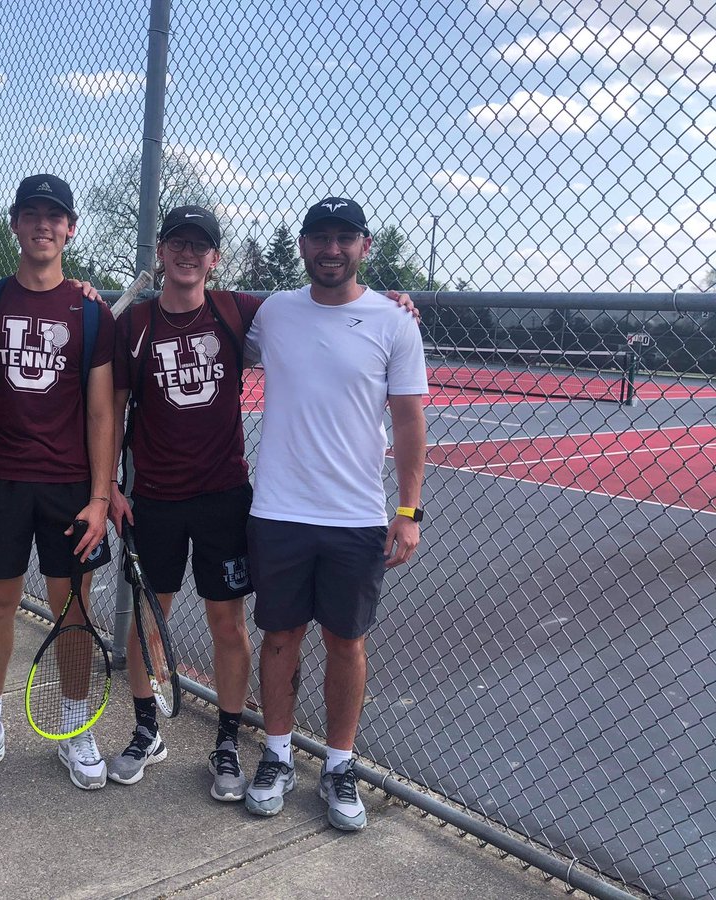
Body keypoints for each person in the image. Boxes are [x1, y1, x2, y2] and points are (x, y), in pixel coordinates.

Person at [242, 197, 427, 830]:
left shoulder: (395, 322)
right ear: (303, 247)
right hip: (279, 511)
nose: (331, 249)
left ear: (364, 247)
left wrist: (408, 510)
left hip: (355, 516)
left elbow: (407, 420)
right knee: (280, 637)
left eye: (343, 239)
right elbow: (202, 318)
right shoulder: (273, 313)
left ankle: (339, 765)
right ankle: (276, 754)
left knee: (346, 641)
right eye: (319, 238)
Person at [0, 174, 116, 792]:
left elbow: (103, 414)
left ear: (70, 228)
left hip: (69, 487)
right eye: (32, 215)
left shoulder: (91, 311)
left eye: (55, 216)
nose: (43, 226)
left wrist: (100, 497)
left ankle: (75, 725)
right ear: (16, 224)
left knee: (73, 609)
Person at [106, 206, 258, 801]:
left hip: (223, 496)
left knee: (227, 620)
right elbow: (111, 409)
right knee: (150, 620)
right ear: (161, 253)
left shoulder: (236, 312)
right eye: (178, 243)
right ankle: (147, 730)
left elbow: (323, 309)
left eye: (200, 246)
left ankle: (226, 740)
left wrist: (385, 299)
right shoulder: (136, 323)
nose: (188, 254)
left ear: (214, 258)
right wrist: (109, 485)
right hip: (156, 499)